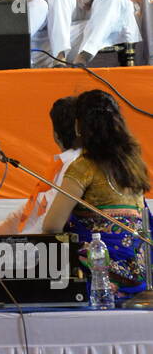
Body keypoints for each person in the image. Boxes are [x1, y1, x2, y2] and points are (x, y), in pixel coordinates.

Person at [40, 90, 151, 301]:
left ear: (78, 126)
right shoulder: (135, 164)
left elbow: (52, 226)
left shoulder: (83, 168)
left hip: (101, 279)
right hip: (142, 274)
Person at [0, 96, 80, 235]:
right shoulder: (66, 162)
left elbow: (49, 221)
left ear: (56, 135)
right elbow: (37, 205)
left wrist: (21, 243)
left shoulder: (75, 163)